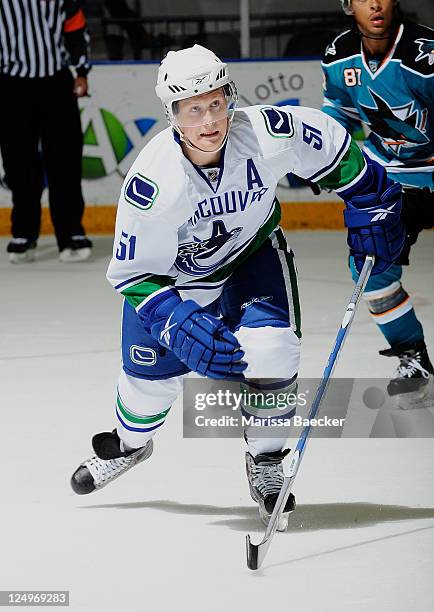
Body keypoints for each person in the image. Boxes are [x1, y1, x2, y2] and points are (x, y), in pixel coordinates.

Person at [70, 45, 405, 529]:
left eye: (215, 102)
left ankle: (267, 461)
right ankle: (127, 446)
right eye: (192, 109)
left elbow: (336, 150)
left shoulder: (268, 134)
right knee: (147, 387)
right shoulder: (153, 182)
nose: (208, 120)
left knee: (270, 352)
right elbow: (133, 275)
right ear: (173, 116)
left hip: (252, 257)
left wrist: (370, 196)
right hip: (176, 282)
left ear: (229, 97)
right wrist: (174, 319)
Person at [321, 0, 434, 407]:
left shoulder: (424, 55)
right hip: (396, 177)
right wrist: (325, 155)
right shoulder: (339, 56)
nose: (375, 4)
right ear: (348, 5)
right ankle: (412, 359)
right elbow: (341, 112)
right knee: (369, 267)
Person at [0, 0, 92, 263]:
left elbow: (76, 30)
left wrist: (82, 71)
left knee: (65, 162)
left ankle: (71, 233)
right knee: (19, 163)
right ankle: (24, 234)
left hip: (56, 83)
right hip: (10, 85)